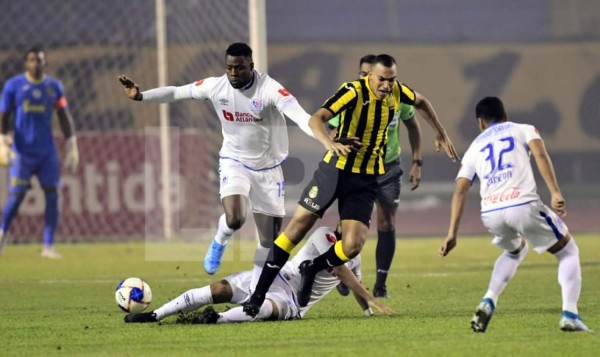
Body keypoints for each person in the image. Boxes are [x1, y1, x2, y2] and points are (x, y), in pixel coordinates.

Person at [243, 54, 459, 316]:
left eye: (392, 80)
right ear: (370, 76)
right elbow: (316, 119)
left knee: (352, 246)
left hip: (365, 179)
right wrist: (329, 143)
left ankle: (312, 267)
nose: (387, 86)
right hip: (334, 171)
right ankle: (256, 297)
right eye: (382, 79)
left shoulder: (396, 93)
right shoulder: (352, 92)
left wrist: (440, 132)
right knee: (295, 230)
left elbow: (422, 101)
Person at [118, 43, 316, 286]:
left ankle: (255, 288)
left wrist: (327, 138)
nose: (233, 73)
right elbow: (177, 92)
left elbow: (303, 118)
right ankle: (220, 240)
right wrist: (140, 95)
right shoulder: (216, 86)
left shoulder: (270, 89)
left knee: (269, 240)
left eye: (240, 68)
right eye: (229, 67)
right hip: (235, 161)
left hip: (269, 168)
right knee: (235, 218)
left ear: (251, 67)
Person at [438, 96, 590, 333]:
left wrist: (451, 234)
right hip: (522, 204)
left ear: (480, 123)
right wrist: (555, 192)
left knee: (514, 250)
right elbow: (540, 155)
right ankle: (570, 314)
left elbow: (460, 190)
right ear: (505, 115)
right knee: (568, 251)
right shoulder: (523, 129)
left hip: (490, 212)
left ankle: (488, 299)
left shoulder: (474, 147)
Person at [329, 54, 456, 298]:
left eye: (374, 75)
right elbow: (329, 127)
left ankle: (381, 284)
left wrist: (417, 161)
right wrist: (335, 140)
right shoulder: (351, 96)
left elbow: (414, 123)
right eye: (364, 75)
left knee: (387, 221)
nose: (372, 80)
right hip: (356, 168)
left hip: (387, 167)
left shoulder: (396, 96)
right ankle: (342, 268)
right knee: (346, 224)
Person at [123, 225, 394, 324]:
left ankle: (213, 319)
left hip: (292, 302)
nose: (353, 231)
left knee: (264, 308)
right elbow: (345, 274)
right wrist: (369, 296)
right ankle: (154, 314)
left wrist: (368, 310)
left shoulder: (355, 257)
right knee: (218, 290)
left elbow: (353, 281)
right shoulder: (324, 234)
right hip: (279, 276)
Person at [0, 47, 79, 258]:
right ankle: (2, 235)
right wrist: (2, 141)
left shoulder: (54, 87)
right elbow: (4, 114)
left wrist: (72, 143)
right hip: (22, 153)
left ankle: (48, 246)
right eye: (32, 60)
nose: (36, 64)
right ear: (26, 63)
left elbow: (63, 114)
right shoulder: (13, 86)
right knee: (16, 197)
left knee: (53, 195)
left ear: (45, 64)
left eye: (40, 60)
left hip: (47, 153)